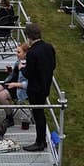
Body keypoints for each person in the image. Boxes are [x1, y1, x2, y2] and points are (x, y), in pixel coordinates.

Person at [21, 23, 56, 152]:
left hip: (35, 89)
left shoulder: (32, 53)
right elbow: (53, 65)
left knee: (38, 115)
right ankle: (41, 140)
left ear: (28, 37)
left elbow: (28, 73)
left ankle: (40, 142)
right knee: (40, 114)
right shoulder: (49, 47)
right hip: (45, 86)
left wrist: (22, 68)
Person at [0, 42, 29, 127]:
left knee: (2, 95)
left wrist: (15, 84)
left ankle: (9, 118)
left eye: (19, 52)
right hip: (11, 83)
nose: (16, 54)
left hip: (20, 89)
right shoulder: (19, 61)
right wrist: (10, 71)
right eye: (16, 52)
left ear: (26, 53)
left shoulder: (30, 64)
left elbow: (28, 84)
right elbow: (15, 75)